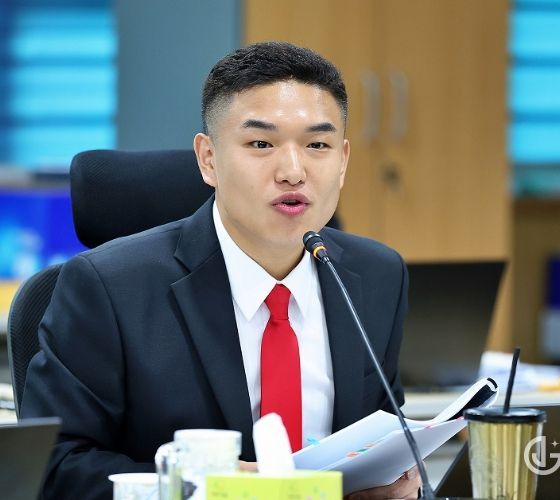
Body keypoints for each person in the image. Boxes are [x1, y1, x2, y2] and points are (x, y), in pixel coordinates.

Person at [21, 42, 420, 499]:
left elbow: (382, 440)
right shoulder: (108, 287)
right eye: (261, 144)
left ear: (343, 160)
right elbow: (54, 467)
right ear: (208, 159)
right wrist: (215, 489)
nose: (293, 171)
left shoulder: (378, 275)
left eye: (317, 145)